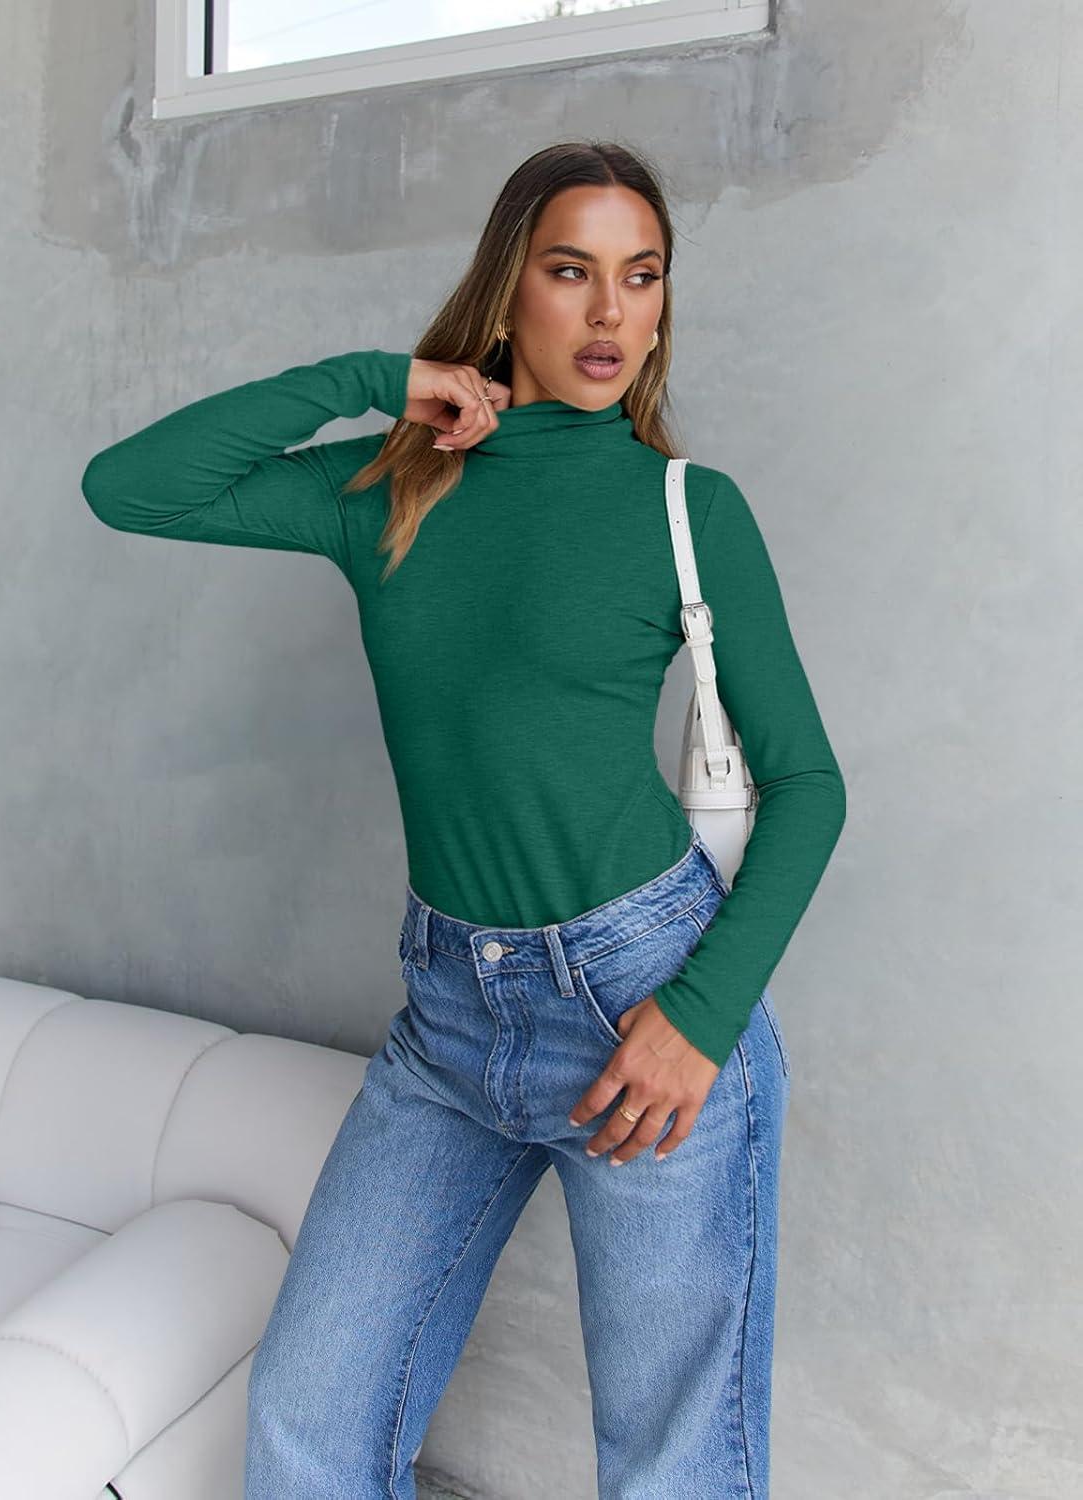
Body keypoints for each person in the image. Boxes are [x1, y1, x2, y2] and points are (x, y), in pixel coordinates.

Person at [81, 140, 846, 1499]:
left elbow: (810, 786)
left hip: (643, 998)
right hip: (449, 1016)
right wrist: (379, 381)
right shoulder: (393, 488)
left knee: (670, 1468)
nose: (609, 312)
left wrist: (701, 1018)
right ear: (508, 289)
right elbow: (131, 485)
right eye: (570, 271)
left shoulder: (685, 509)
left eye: (641, 277)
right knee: (308, 1427)